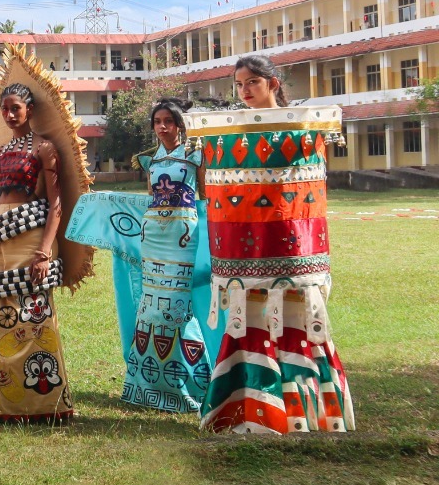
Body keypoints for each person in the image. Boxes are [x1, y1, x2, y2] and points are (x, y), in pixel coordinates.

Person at [198, 55, 352, 433]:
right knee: (249, 322)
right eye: (239, 84)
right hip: (246, 251)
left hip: (292, 246)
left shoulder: (299, 128)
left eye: (252, 82)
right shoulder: (231, 133)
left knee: (299, 322)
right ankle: (249, 409)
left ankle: (304, 411)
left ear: (273, 83)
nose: (244, 90)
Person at [68, 98, 223, 412]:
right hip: (153, 236)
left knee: (178, 308)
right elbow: (151, 200)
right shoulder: (150, 160)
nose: (162, 127)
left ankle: (194, 384)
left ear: (180, 124)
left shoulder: (196, 155)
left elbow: (206, 196)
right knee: (150, 307)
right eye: (157, 122)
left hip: (183, 236)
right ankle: (147, 386)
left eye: (169, 121)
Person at [0, 75, 90, 422]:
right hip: (1, 242)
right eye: (4, 109)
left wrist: (44, 252)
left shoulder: (44, 148)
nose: (9, 115)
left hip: (31, 240)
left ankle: (41, 404)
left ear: (30, 110)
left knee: (33, 314)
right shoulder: (0, 152)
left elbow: (55, 204)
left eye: (16, 108)